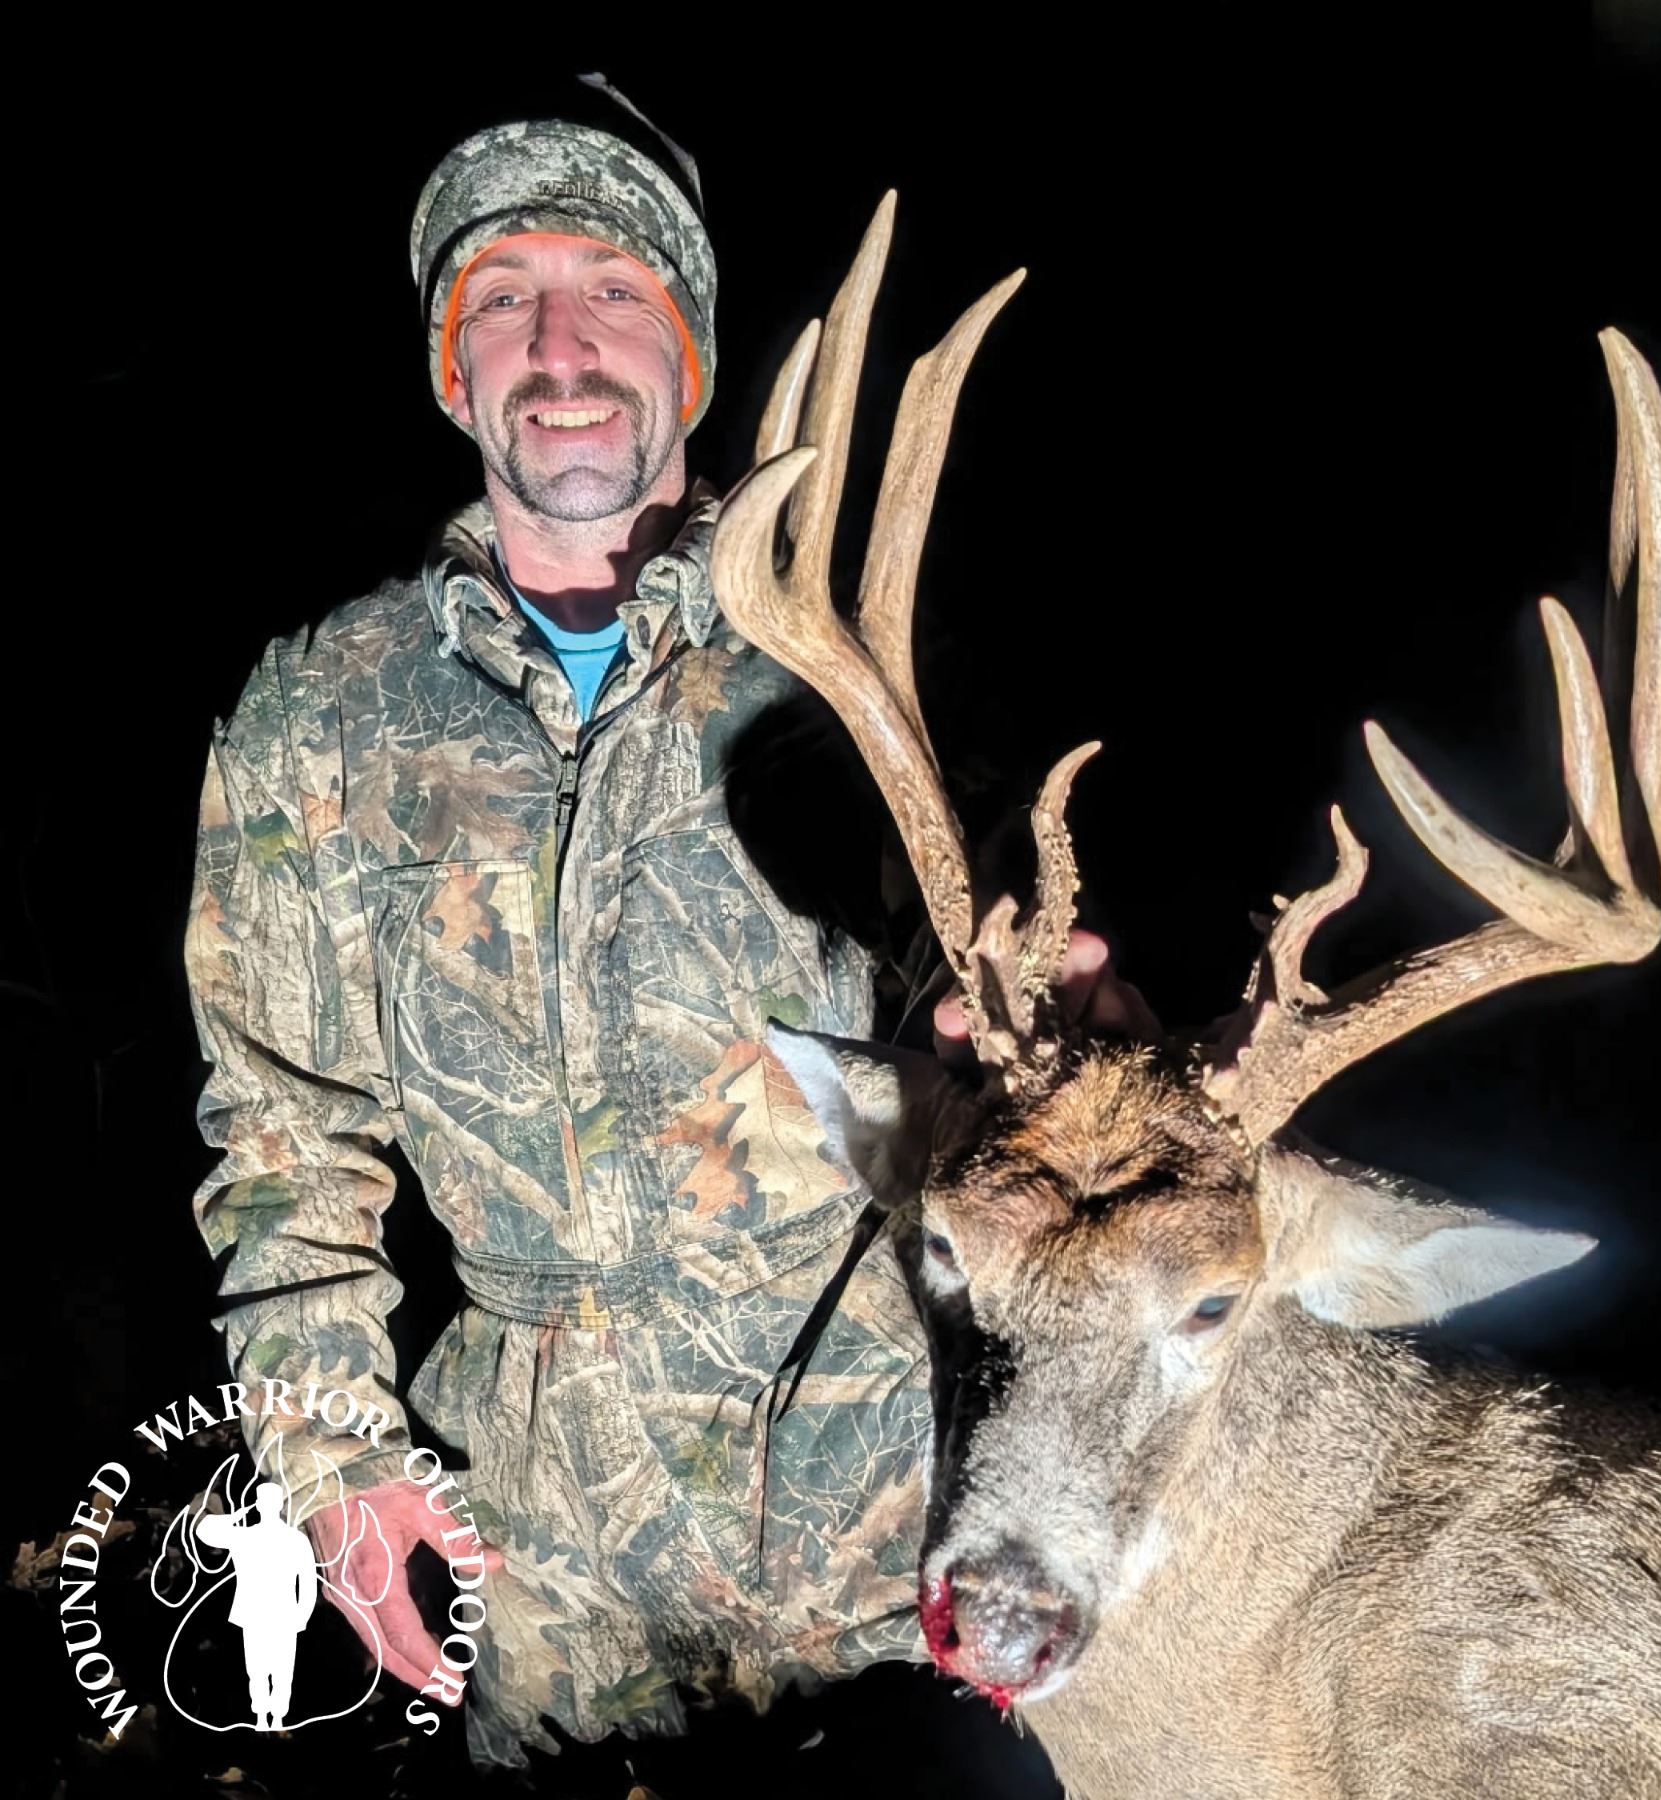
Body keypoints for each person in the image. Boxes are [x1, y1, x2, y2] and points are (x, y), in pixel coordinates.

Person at [183, 84, 1155, 1771]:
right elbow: (283, 1136)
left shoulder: (862, 681)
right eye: (503, 299)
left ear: (691, 359)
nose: (560, 348)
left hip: (891, 1560)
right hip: (545, 1587)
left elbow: (1018, 1013)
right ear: (453, 369)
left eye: (615, 291)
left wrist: (1074, 1039)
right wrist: (332, 1459)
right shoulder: (321, 715)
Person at [195, 1481, 320, 1731]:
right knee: (272, 1669)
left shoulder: (252, 1536)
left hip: (269, 1613)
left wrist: (232, 1519)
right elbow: (308, 1583)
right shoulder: (279, 1538)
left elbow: (204, 1529)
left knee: (264, 1669)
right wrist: (301, 1616)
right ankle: (268, 1718)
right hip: (271, 1613)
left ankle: (269, 1718)